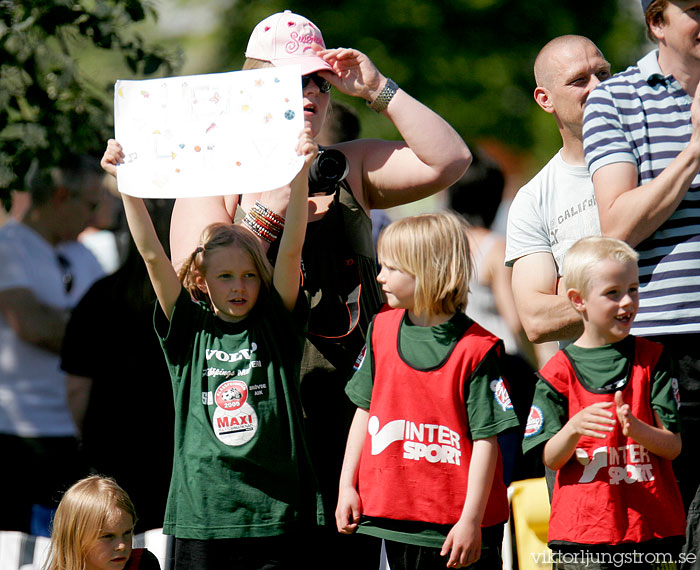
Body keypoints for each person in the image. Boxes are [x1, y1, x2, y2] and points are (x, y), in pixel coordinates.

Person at [167, 10, 471, 567]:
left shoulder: (346, 167)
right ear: (253, 91)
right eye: (290, 80)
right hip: (258, 433)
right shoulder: (211, 180)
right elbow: (193, 291)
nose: (309, 93)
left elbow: (450, 159)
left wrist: (380, 90)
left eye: (317, 82)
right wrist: (269, 206)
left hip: (350, 426)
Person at [101, 129, 323, 569]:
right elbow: (150, 254)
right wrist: (125, 182)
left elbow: (292, 247)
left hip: (276, 517)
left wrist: (300, 174)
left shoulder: (275, 325)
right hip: (202, 516)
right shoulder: (189, 330)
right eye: (225, 277)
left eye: (249, 275)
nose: (239, 286)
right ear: (201, 281)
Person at [582, 1, 700, 562]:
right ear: (657, 22)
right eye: (697, 9)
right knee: (667, 518)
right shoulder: (616, 98)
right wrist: (696, 150)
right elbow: (618, 225)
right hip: (668, 345)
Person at [336, 212, 519, 570]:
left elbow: (486, 442)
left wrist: (471, 520)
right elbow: (364, 411)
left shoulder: (477, 349)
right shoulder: (381, 330)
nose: (379, 277)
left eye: (391, 268)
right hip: (395, 521)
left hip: (457, 532)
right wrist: (347, 485)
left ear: (427, 272)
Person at [522, 236, 685, 568]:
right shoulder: (557, 373)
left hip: (646, 535)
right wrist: (573, 429)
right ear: (578, 300)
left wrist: (638, 429)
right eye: (613, 293)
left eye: (634, 290)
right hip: (583, 539)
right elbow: (549, 458)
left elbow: (673, 446)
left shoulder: (653, 360)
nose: (627, 302)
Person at [0, 155, 105, 534]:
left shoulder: (85, 255)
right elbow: (31, 324)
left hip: (75, 432)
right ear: (61, 196)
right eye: (90, 205)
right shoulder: (9, 246)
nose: (94, 216)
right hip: (19, 437)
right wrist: (92, 333)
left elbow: (113, 322)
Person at [60, 198, 175, 534]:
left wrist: (87, 439)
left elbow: (77, 387)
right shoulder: (190, 301)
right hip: (173, 453)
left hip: (109, 451)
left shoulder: (99, 296)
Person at [505, 35, 609, 345]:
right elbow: (536, 319)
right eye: (579, 80)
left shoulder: (658, 158)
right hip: (595, 383)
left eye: (603, 73)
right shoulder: (534, 199)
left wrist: (578, 293)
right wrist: (629, 291)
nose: (598, 87)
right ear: (544, 99)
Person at [448, 150, 541, 484]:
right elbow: (515, 321)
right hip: (501, 367)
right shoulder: (495, 247)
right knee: (507, 462)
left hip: (454, 365)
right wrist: (541, 369)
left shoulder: (444, 245)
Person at [43, 475, 161, 570]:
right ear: (75, 539)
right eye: (108, 536)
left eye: (127, 533)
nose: (122, 545)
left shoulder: (143, 564)